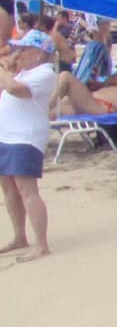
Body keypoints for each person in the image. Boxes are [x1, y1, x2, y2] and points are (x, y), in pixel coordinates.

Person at [0, 30, 58, 258]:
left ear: (39, 53)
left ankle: (41, 244)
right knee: (9, 189)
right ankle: (19, 236)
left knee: (27, 190)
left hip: (25, 137)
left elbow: (16, 91)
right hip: (6, 134)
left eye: (24, 49)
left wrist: (4, 70)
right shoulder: (24, 72)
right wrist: (10, 69)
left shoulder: (45, 73)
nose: (19, 53)